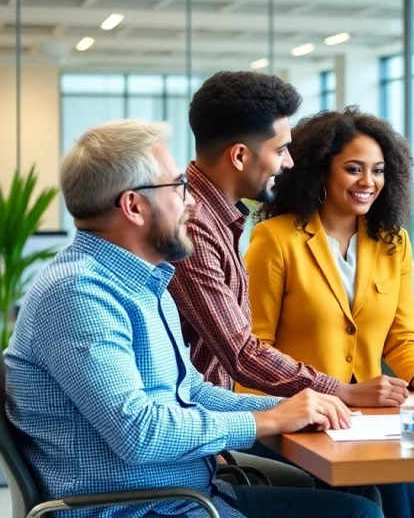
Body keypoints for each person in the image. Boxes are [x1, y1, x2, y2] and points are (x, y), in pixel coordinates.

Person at [4, 120, 381, 518]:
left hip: (185, 496)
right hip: (139, 510)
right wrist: (265, 421)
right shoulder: (78, 294)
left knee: (362, 500)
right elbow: (139, 433)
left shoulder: (145, 281)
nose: (191, 203)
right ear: (134, 205)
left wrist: (297, 407)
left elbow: (191, 391)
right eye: (178, 186)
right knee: (359, 512)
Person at [243, 108, 414, 518]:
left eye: (379, 171)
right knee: (368, 497)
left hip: (367, 419)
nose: (369, 182)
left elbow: (402, 337)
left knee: (404, 477)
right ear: (320, 171)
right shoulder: (275, 239)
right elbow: (253, 348)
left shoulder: (393, 243)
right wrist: (330, 393)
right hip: (293, 415)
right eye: (354, 169)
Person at [165, 71, 364, 493]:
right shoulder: (195, 226)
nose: (289, 163)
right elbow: (240, 352)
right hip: (199, 444)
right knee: (356, 493)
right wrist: (341, 392)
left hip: (216, 422)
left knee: (371, 483)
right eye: (281, 149)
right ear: (240, 156)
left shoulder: (222, 219)